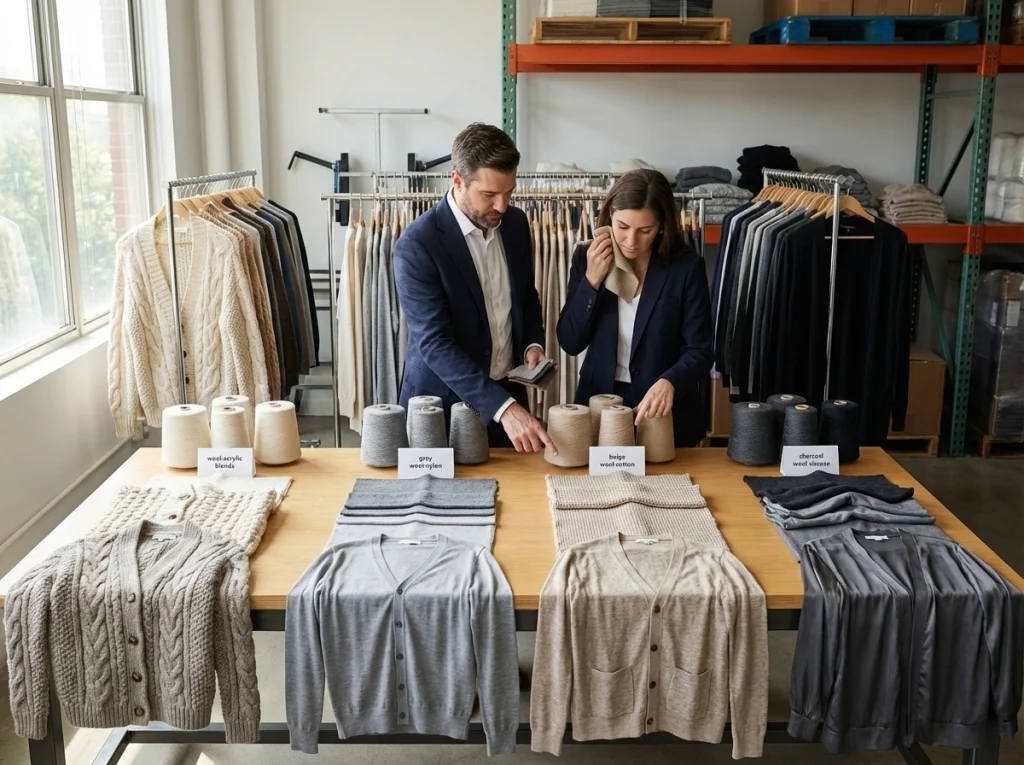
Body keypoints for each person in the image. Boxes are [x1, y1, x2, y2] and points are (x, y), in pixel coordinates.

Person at [393, 122, 556, 454]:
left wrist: (531, 343)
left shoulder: (515, 224)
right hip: (442, 409)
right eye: (489, 194)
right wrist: (503, 407)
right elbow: (435, 344)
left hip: (508, 395)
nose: (501, 206)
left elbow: (525, 295)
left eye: (509, 192)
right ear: (457, 180)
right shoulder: (416, 246)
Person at [557, 169, 713, 447]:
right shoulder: (586, 257)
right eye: (622, 227)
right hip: (600, 405)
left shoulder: (685, 268)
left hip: (665, 410)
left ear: (662, 225)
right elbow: (570, 341)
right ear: (608, 218)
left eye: (645, 231)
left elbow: (699, 349)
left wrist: (671, 383)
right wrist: (591, 281)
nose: (631, 241)